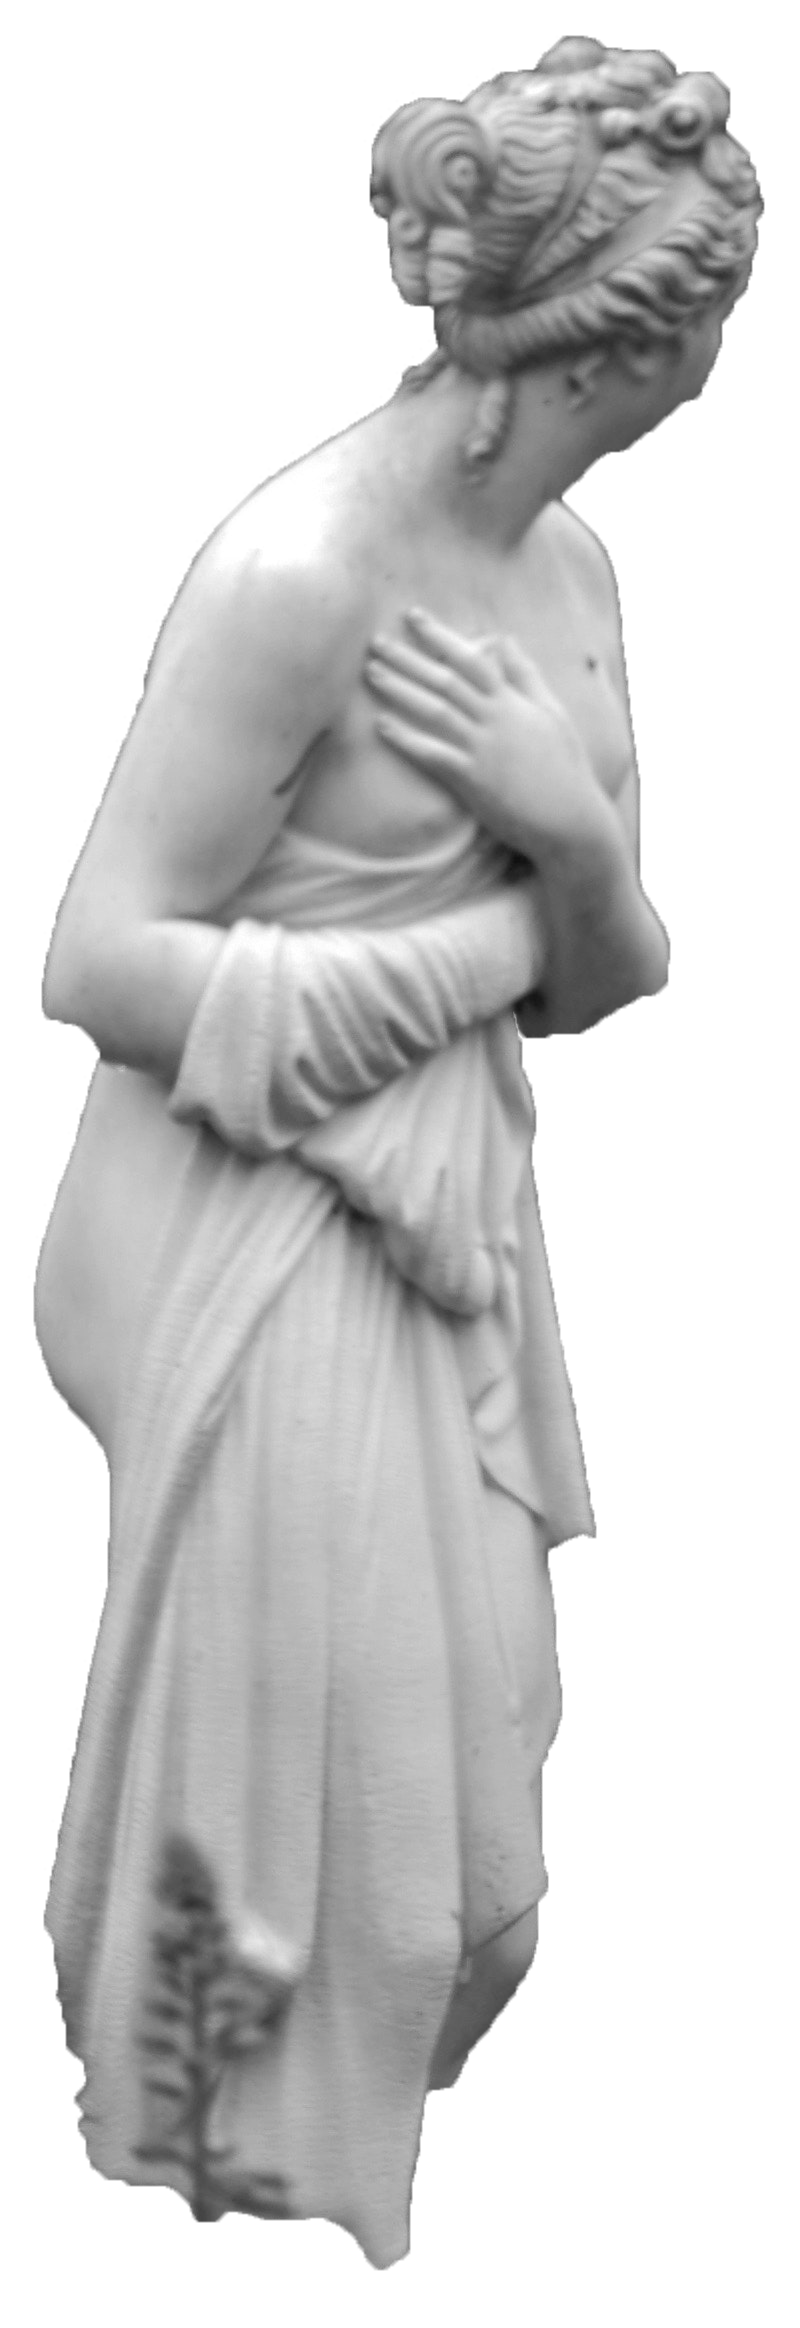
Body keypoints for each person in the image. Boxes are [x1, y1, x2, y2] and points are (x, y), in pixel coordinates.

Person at [35, 38, 760, 2269]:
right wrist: (485, 941)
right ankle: (202, 2269)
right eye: (718, 307)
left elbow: (609, 1001)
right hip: (272, 1268)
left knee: (476, 1919)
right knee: (312, 1923)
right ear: (620, 341)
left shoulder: (569, 583)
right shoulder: (297, 573)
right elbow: (95, 969)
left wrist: (573, 847)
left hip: (456, 1257)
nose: (732, 345)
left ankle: (326, 2268)